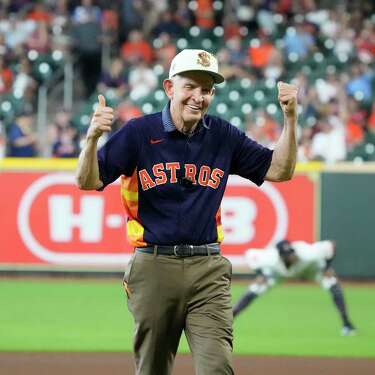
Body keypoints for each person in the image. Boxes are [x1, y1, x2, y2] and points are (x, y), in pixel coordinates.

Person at [76, 48, 298, 375]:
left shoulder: (222, 134)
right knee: (152, 368)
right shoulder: (139, 133)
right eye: (190, 86)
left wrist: (290, 119)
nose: (198, 96)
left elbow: (279, 170)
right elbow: (88, 180)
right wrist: (92, 139)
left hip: (208, 267)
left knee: (217, 368)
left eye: (206, 89)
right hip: (153, 265)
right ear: (170, 88)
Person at [233, 239, 356, 336]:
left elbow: (331, 245)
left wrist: (326, 268)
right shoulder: (270, 258)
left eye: (291, 252)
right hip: (279, 274)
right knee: (254, 290)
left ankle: (347, 324)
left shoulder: (307, 252)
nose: (291, 256)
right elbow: (249, 256)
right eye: (287, 254)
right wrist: (261, 274)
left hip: (310, 270)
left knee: (333, 284)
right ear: (280, 255)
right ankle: (227, 320)